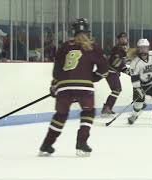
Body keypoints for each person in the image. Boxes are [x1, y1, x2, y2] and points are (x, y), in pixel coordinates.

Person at [39, 18, 108, 157]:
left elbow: (57, 69)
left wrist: (55, 84)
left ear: (73, 31)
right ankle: (81, 143)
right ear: (88, 31)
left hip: (64, 86)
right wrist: (93, 77)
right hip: (85, 87)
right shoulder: (93, 47)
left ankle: (46, 145)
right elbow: (104, 69)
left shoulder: (64, 46)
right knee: (88, 113)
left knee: (60, 115)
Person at [128, 38, 152, 127]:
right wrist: (138, 89)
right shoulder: (135, 63)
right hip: (143, 85)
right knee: (139, 104)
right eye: (141, 48)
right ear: (138, 49)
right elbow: (134, 78)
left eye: (145, 47)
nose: (143, 50)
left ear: (148, 48)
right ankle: (134, 115)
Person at [101, 32, 130, 116]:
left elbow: (121, 64)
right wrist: (126, 70)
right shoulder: (117, 49)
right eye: (122, 38)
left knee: (117, 90)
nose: (124, 39)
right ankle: (107, 108)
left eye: (125, 38)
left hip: (113, 72)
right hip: (110, 72)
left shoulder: (122, 49)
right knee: (116, 89)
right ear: (118, 40)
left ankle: (107, 107)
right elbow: (116, 64)